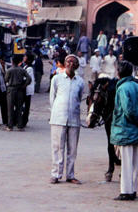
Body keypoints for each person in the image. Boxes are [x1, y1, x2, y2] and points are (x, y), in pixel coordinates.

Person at [111, 60, 138, 201]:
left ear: (119, 72)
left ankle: (125, 191)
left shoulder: (122, 88)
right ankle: (132, 190)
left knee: (126, 163)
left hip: (125, 129)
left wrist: (136, 121)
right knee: (133, 162)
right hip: (136, 130)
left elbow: (127, 110)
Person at [49, 54, 84, 184]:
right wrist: (56, 112)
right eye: (68, 61)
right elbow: (52, 98)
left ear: (76, 66)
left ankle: (70, 175)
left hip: (74, 118)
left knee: (72, 149)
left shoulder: (80, 81)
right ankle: (56, 174)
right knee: (57, 148)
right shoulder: (57, 79)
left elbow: (79, 99)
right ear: (65, 63)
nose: (70, 64)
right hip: (58, 118)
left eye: (73, 62)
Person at [5, 54, 32, 131]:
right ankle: (20, 125)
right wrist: (24, 85)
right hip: (20, 90)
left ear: (12, 62)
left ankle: (10, 125)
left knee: (10, 108)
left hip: (11, 90)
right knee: (19, 108)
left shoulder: (9, 70)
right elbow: (29, 79)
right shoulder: (22, 70)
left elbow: (6, 79)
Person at [21, 52, 36, 128]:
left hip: (27, 89)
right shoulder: (25, 66)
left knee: (26, 106)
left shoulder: (29, 68)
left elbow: (26, 79)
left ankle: (24, 120)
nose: (24, 58)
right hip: (26, 89)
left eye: (25, 57)